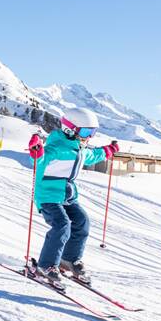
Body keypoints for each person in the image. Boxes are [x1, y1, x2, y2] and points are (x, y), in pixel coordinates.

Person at [26, 107, 119, 289]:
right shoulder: (55, 148)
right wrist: (36, 152)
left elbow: (92, 156)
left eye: (92, 132)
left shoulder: (80, 149)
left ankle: (68, 260)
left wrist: (108, 151)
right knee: (62, 225)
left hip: (68, 196)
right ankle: (46, 266)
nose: (89, 136)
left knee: (82, 222)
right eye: (85, 132)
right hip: (48, 196)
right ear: (70, 129)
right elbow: (39, 160)